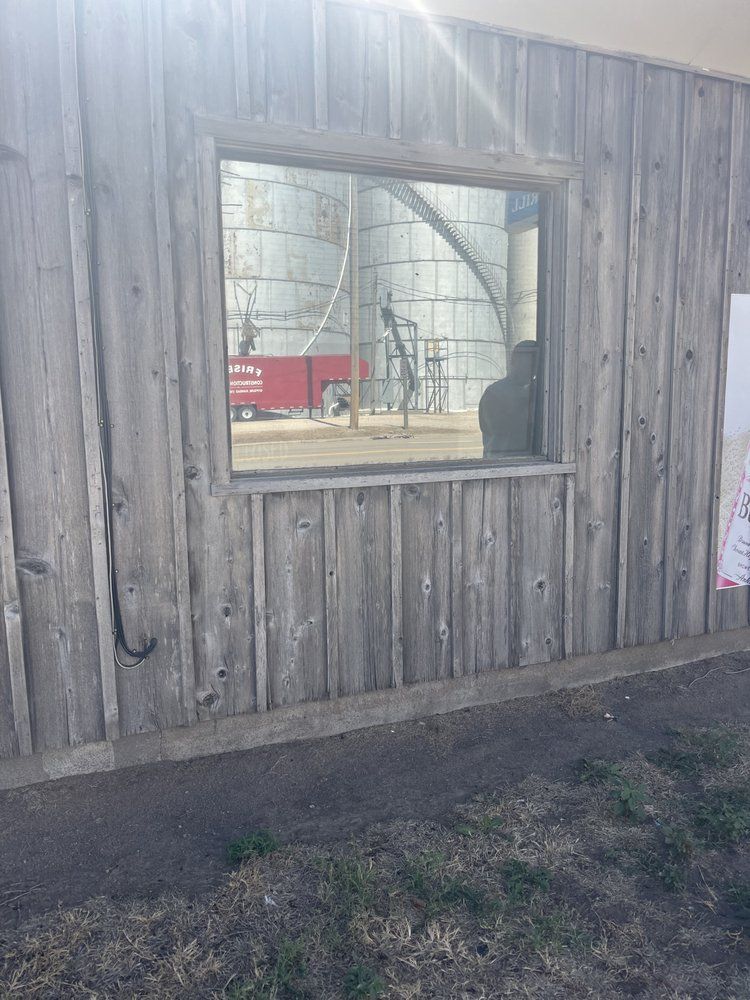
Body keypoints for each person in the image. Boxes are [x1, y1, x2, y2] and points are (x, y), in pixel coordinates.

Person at [478, 340, 538, 458]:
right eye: (526, 361)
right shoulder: (495, 393)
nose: (530, 367)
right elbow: (500, 429)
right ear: (514, 361)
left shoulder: (539, 392)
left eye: (534, 363)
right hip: (501, 464)